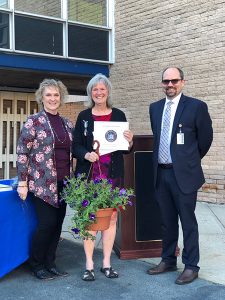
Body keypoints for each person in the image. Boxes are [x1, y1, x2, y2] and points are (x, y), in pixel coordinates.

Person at [148, 67, 213, 285]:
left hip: (183, 175)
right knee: (166, 222)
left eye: (174, 81)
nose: (170, 85)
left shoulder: (196, 107)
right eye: (166, 81)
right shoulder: (155, 108)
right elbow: (158, 138)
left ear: (182, 82)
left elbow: (205, 140)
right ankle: (167, 260)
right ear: (162, 84)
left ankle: (191, 266)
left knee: (188, 222)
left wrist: (188, 161)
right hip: (161, 173)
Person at [73, 73, 133, 281]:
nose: (99, 92)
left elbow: (125, 150)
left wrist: (130, 141)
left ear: (108, 92)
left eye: (102, 89)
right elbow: (76, 146)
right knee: (90, 217)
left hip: (112, 176)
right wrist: (85, 154)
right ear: (91, 93)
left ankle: (106, 263)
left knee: (112, 218)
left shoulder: (118, 115)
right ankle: (89, 264)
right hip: (90, 176)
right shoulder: (83, 117)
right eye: (95, 89)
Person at [17, 79, 73, 280]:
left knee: (58, 225)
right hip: (42, 184)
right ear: (42, 97)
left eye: (56, 95)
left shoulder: (67, 123)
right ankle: (37, 263)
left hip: (64, 182)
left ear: (61, 97)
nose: (52, 98)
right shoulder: (34, 121)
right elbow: (23, 152)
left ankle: (50, 262)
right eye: (48, 95)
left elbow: (74, 150)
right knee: (46, 224)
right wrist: (22, 182)